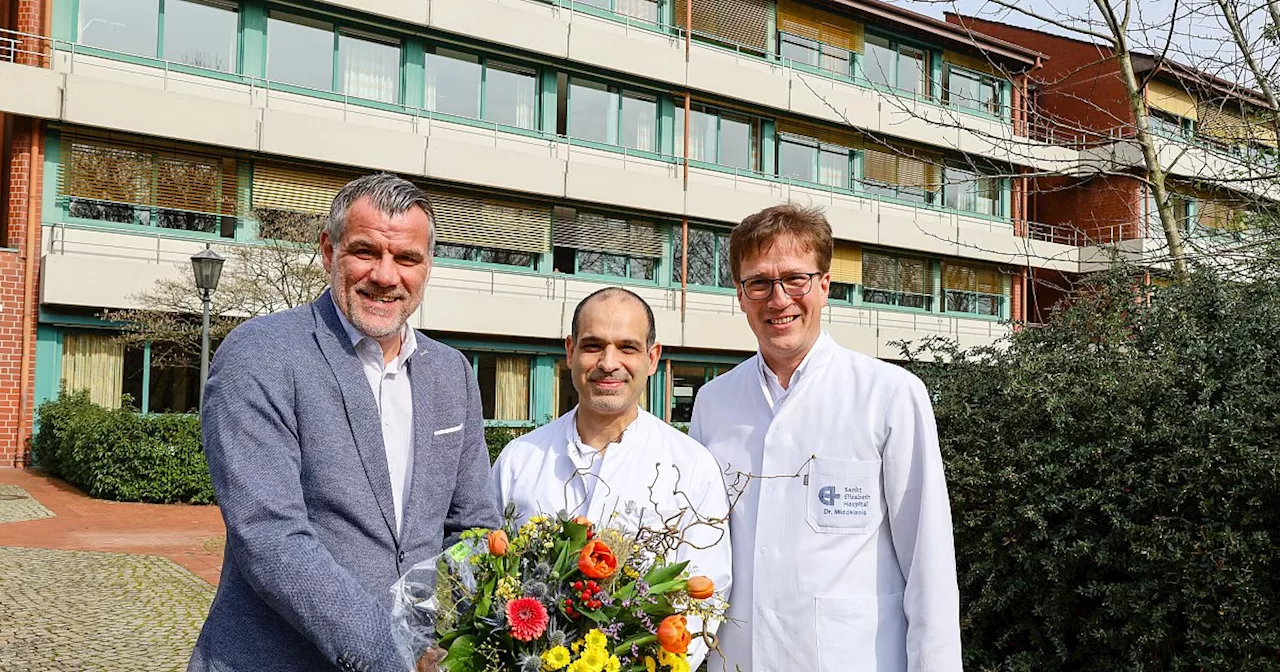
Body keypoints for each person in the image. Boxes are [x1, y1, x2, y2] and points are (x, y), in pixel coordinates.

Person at [189, 173, 500, 672]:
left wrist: (464, 639)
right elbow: (271, 538)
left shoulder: (452, 373)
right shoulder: (261, 354)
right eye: (365, 252)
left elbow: (474, 528)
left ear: (427, 267)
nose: (385, 275)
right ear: (329, 251)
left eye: (406, 259)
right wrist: (396, 655)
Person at [690, 204, 962, 672]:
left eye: (795, 278)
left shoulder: (890, 395)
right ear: (739, 294)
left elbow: (928, 561)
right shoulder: (714, 402)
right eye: (758, 282)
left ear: (825, 285)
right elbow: (698, 548)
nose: (778, 299)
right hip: (737, 660)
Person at [491, 287, 732, 667]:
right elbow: (486, 579)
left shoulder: (691, 467)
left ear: (653, 358)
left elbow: (704, 596)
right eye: (592, 345)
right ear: (570, 351)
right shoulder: (519, 460)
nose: (608, 362)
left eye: (627, 347)